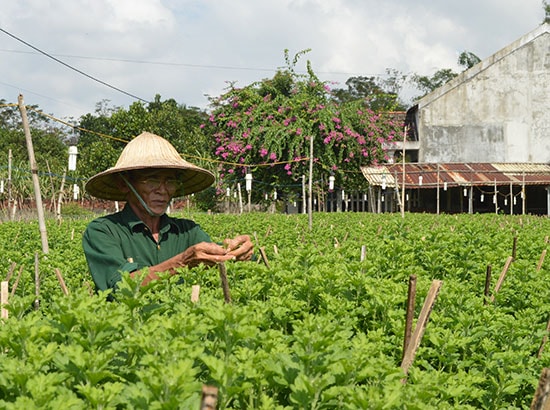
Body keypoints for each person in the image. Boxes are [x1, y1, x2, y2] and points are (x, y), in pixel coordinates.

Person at [82, 131, 254, 292]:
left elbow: (215, 258)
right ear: (124, 184)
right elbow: (121, 287)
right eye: (152, 180)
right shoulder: (104, 231)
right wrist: (182, 262)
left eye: (170, 181)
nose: (162, 190)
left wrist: (237, 252)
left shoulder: (187, 231)